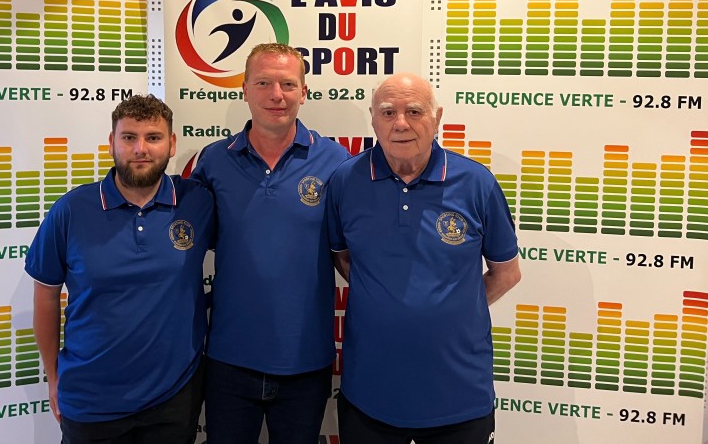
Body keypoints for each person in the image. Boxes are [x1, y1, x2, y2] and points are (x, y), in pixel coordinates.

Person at [325, 73, 521, 444]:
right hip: (370, 393)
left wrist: (451, 307)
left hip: (460, 396)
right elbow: (344, 259)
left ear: (437, 117)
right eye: (388, 112)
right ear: (373, 119)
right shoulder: (345, 181)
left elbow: (506, 273)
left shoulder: (476, 183)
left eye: (414, 111)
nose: (401, 123)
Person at [26, 94, 214, 444]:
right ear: (112, 142)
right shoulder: (71, 210)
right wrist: (53, 377)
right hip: (91, 401)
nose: (140, 149)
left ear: (172, 144)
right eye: (129, 137)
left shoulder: (197, 202)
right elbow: (46, 296)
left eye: (153, 137)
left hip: (174, 400)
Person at [189, 42, 350, 444]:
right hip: (229, 357)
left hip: (306, 359)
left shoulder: (337, 161)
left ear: (304, 92)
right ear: (244, 89)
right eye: (263, 83)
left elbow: (353, 249)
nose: (276, 95)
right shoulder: (213, 161)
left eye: (288, 84)